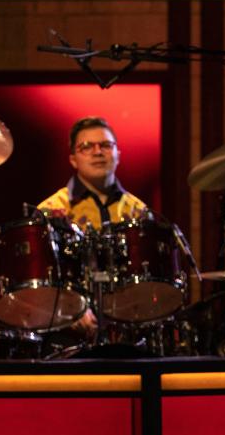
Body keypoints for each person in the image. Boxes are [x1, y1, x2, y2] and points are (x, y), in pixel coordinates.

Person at [37, 117, 148, 337]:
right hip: (66, 332)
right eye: (86, 147)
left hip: (130, 327)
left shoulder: (139, 211)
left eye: (106, 145)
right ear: (73, 159)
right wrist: (70, 308)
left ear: (118, 154)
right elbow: (39, 280)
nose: (98, 152)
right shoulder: (51, 209)